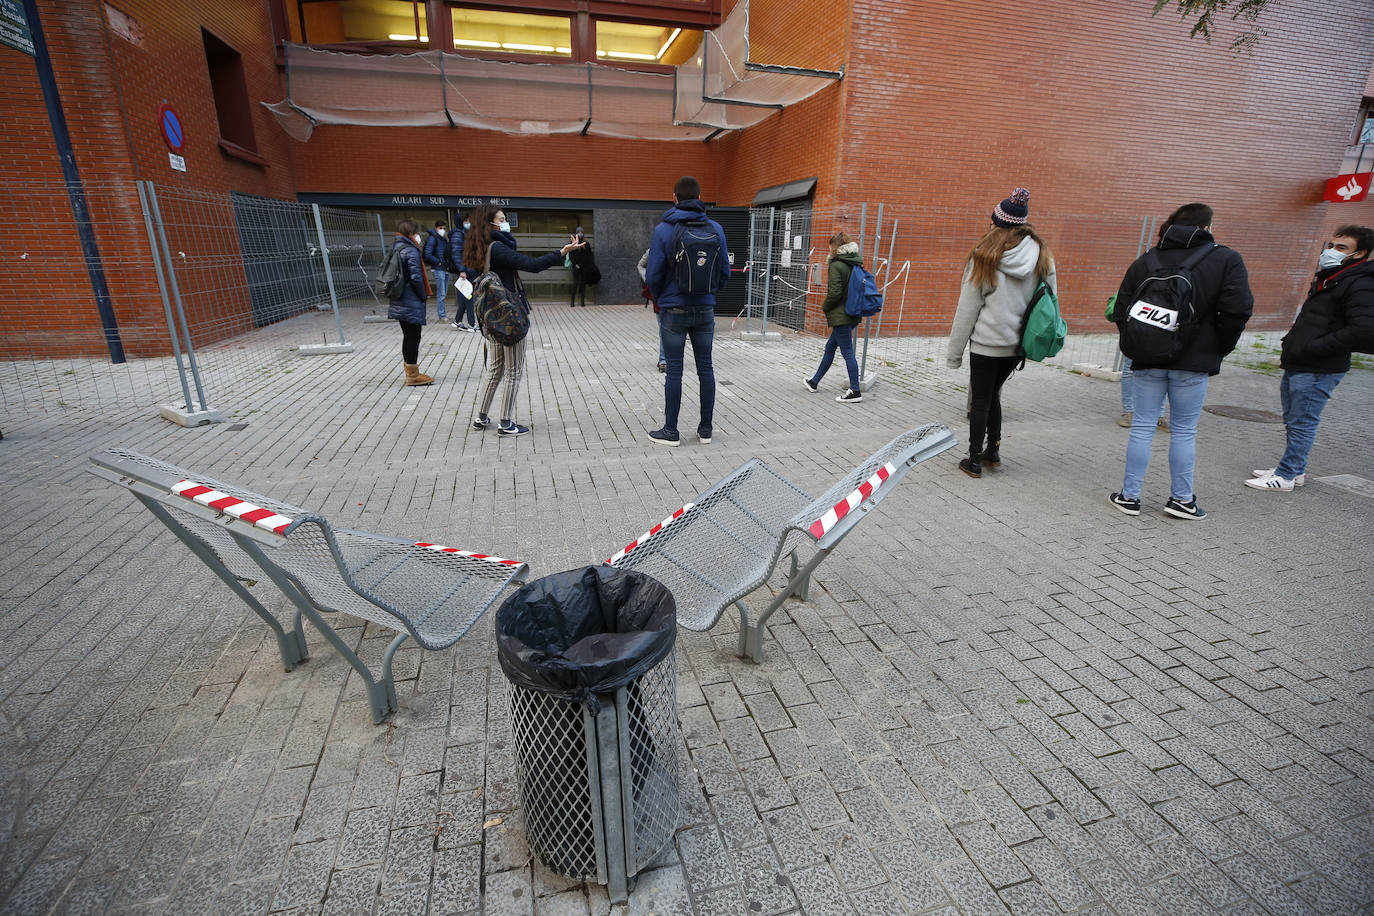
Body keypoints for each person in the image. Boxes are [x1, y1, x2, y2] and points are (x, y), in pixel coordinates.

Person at [1108, 202, 1253, 519]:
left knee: (1143, 427)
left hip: (1147, 358)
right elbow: (1237, 310)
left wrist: (1141, 341)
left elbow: (1122, 310)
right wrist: (1217, 348)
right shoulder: (1225, 259)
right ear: (1208, 227)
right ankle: (1182, 500)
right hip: (1193, 362)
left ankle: (1129, 497)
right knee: (1185, 431)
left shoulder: (1148, 259)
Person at [1246, 225, 1374, 491]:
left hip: (1320, 366)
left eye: (1341, 248)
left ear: (1360, 253)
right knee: (1294, 418)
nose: (1331, 251)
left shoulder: (1360, 283)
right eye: (1331, 245)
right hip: (1301, 361)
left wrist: (1314, 347)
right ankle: (1294, 468)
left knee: (1303, 421)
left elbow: (1363, 328)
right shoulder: (1331, 277)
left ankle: (1286, 476)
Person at [946, 188, 1056, 477]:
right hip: (1017, 344)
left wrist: (954, 354)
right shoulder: (1042, 255)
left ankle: (972, 459)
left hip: (986, 343)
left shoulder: (984, 256)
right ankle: (992, 451)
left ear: (996, 222)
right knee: (993, 395)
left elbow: (967, 308)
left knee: (981, 399)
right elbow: (1050, 299)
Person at [463, 204, 584, 436]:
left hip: (492, 316)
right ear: (491, 224)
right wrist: (563, 251)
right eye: (502, 219)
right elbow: (533, 265)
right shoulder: (497, 248)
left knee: (496, 368)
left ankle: (481, 417)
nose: (506, 222)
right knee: (513, 371)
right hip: (508, 317)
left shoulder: (481, 246)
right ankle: (506, 423)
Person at [644, 175, 730, 446]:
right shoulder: (716, 228)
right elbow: (724, 272)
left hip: (674, 310)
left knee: (675, 371)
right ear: (700, 196)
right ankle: (705, 430)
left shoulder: (663, 230)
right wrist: (708, 295)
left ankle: (671, 431)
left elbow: (653, 275)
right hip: (705, 309)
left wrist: (663, 298)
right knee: (706, 368)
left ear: (674, 198)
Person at [804, 231, 865, 402]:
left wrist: (826, 307)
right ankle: (814, 382)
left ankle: (855, 391)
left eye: (831, 245)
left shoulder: (837, 265)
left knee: (847, 352)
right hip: (853, 311)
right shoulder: (855, 263)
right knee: (830, 348)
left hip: (841, 315)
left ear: (835, 247)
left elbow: (835, 292)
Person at [387, 219, 434, 386]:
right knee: (413, 336)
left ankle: (411, 372)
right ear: (410, 234)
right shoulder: (410, 250)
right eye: (416, 233)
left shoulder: (396, 247)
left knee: (408, 336)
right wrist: (423, 295)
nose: (418, 236)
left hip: (399, 298)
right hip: (410, 299)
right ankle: (413, 375)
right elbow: (416, 277)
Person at [639, 247, 665, 371]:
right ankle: (664, 359)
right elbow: (641, 265)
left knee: (666, 328)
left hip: (672, 294)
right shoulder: (653, 250)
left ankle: (665, 359)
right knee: (664, 328)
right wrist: (649, 279)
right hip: (660, 294)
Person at [449, 213, 476, 331]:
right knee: (469, 296)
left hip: (469, 269)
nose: (469, 223)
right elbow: (456, 254)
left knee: (466, 297)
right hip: (465, 271)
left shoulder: (465, 234)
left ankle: (458, 320)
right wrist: (462, 270)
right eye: (467, 221)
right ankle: (471, 324)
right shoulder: (458, 235)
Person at [422, 220, 451, 323]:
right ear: (436, 228)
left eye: (444, 228)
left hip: (444, 269)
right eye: (440, 228)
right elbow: (427, 254)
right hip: (439, 269)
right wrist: (438, 262)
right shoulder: (433, 239)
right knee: (441, 293)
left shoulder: (442, 239)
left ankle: (443, 314)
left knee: (444, 292)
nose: (442, 230)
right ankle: (442, 315)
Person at [568, 227, 595, 307]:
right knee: (576, 284)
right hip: (576, 267)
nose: (580, 233)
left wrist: (589, 266)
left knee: (583, 284)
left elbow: (589, 256)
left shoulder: (586, 244)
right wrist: (575, 264)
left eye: (581, 232)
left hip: (584, 267)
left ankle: (582, 302)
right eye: (578, 232)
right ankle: (572, 302)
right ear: (576, 233)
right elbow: (571, 255)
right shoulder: (572, 243)